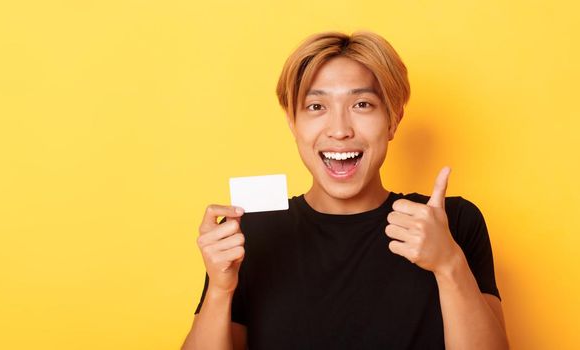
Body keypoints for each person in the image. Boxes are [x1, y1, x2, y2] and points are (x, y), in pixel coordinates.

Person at [181, 31, 509, 349]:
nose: (339, 130)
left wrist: (449, 263)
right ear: (293, 123)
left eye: (362, 104)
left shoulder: (452, 222)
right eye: (315, 107)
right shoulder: (252, 231)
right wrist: (220, 291)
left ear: (393, 119)